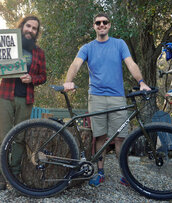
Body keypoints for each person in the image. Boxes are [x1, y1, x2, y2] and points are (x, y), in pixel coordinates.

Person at [63, 13, 150, 187]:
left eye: (105, 22)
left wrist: (141, 82)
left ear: (109, 25)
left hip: (118, 97)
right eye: (98, 23)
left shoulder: (119, 44)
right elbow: (75, 64)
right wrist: (68, 81)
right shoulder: (87, 47)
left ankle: (126, 176)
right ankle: (100, 173)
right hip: (96, 97)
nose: (101, 25)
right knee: (100, 137)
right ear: (94, 26)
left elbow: (131, 63)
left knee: (120, 138)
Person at [0, 15, 47, 190]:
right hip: (5, 97)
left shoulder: (39, 53)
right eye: (28, 26)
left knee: (20, 138)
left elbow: (43, 76)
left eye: (34, 28)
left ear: (37, 32)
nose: (30, 30)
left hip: (26, 99)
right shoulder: (7, 44)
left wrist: (32, 78)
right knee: (3, 137)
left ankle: (14, 173)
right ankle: (1, 175)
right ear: (22, 27)